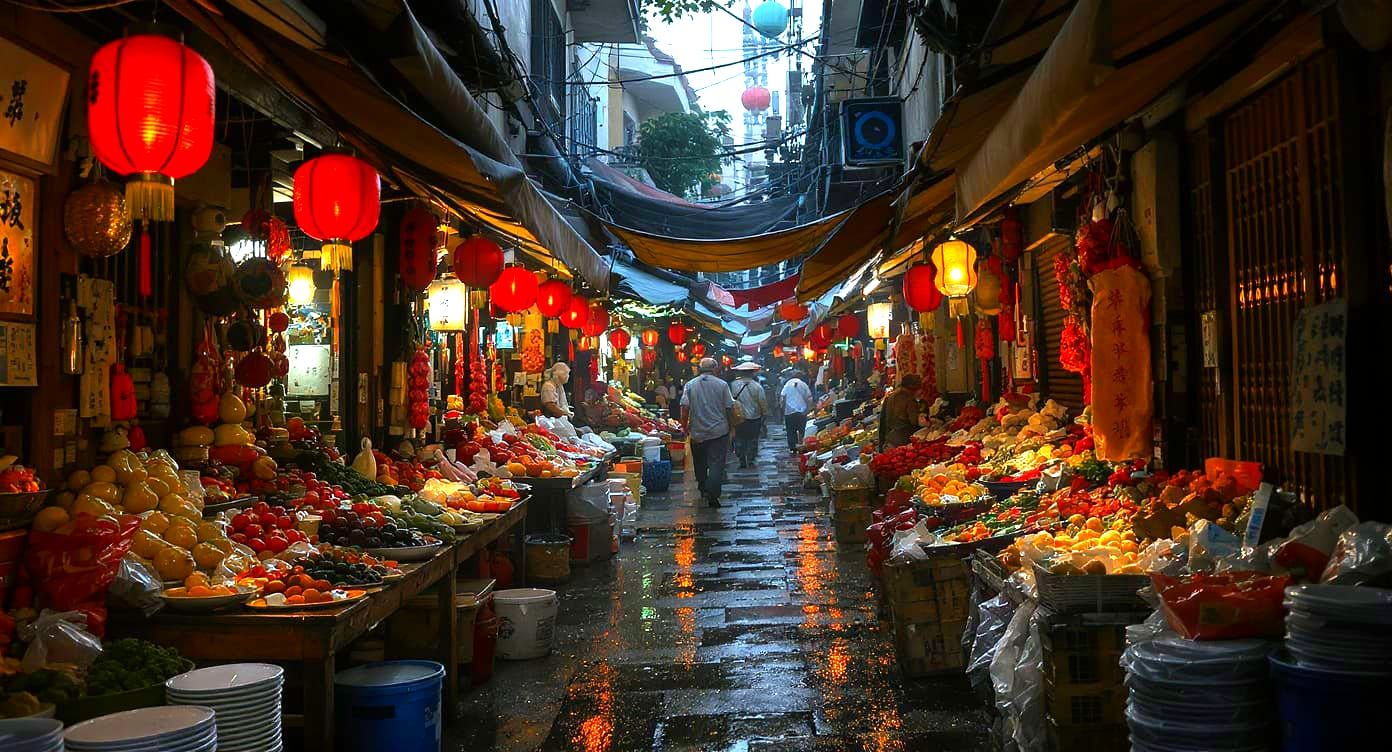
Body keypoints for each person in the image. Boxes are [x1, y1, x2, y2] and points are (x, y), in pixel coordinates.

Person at [681, 358, 735, 507]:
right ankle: (713, 492)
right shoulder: (722, 385)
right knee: (717, 463)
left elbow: (684, 407)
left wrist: (684, 426)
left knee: (700, 462)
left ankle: (703, 487)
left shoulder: (690, 385)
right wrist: (732, 426)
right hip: (719, 431)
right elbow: (729, 407)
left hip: (698, 431)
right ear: (715, 369)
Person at [729, 362, 768, 468]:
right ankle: (750, 459)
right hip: (754, 417)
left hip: (738, 417)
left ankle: (741, 457)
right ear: (752, 373)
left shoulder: (733, 385)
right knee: (752, 439)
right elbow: (762, 401)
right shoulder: (757, 386)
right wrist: (764, 414)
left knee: (739, 437)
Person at [879, 374, 924, 450]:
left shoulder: (892, 395)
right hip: (903, 441)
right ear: (913, 387)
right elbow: (915, 421)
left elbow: (883, 421)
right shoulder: (908, 398)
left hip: (890, 439)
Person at [780, 371, 814, 452]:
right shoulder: (803, 384)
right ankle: (802, 446)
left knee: (791, 430)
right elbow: (809, 398)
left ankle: (793, 447)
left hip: (789, 411)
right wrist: (808, 409)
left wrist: (782, 409)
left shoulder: (787, 384)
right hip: (802, 411)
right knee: (802, 430)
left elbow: (782, 398)